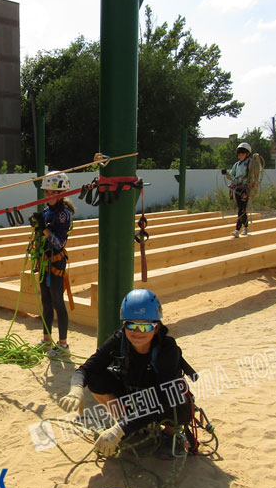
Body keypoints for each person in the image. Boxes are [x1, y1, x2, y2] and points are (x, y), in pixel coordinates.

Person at [57, 289, 192, 458]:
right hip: (134, 393)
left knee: (175, 396)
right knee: (96, 378)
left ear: (156, 328)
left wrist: (119, 430)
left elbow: (161, 397)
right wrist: (76, 388)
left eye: (145, 326)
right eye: (131, 325)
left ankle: (171, 435)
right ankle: (127, 423)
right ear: (124, 324)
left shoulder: (167, 349)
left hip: (161, 399)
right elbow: (87, 368)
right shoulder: (120, 339)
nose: (137, 332)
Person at [35, 171, 75, 358]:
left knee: (58, 302)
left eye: (51, 193)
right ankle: (46, 339)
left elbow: (59, 242)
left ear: (60, 194)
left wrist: (44, 230)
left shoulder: (63, 215)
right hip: (45, 262)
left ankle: (63, 344)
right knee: (46, 302)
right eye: (46, 192)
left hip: (56, 263)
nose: (47, 196)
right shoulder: (47, 212)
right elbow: (41, 239)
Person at [222, 142, 252, 237]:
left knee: (241, 209)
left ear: (247, 154)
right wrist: (226, 173)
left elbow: (254, 175)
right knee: (241, 209)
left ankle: (237, 230)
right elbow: (231, 176)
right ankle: (246, 227)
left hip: (245, 189)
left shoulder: (250, 163)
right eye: (239, 153)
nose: (240, 155)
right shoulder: (237, 164)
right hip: (237, 189)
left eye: (242, 153)